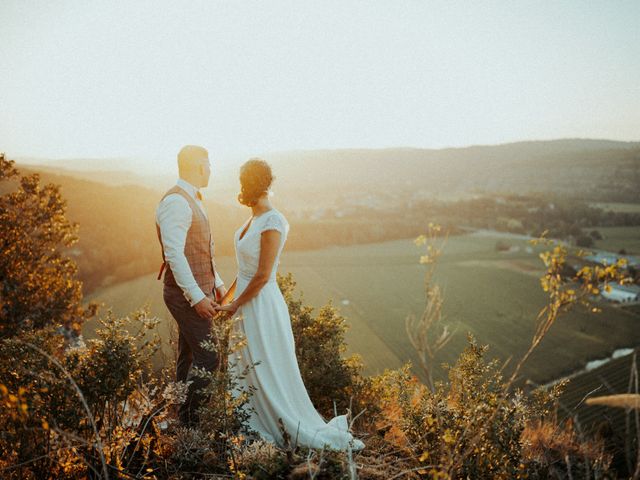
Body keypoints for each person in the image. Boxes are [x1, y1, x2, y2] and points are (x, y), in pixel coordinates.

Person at [216, 158, 365, 451]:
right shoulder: (251, 221)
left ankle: (277, 425)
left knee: (267, 367)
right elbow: (243, 272)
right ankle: (247, 425)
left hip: (261, 306)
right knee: (245, 367)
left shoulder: (273, 221)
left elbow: (261, 275)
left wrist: (235, 305)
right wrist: (224, 301)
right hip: (243, 305)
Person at [155, 145, 227, 426]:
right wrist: (197, 297)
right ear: (198, 166)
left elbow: (200, 249)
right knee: (209, 357)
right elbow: (174, 254)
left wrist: (217, 282)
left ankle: (177, 417)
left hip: (198, 289)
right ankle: (190, 424)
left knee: (187, 357)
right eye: (208, 164)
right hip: (183, 294)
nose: (211, 169)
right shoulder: (176, 202)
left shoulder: (193, 199)